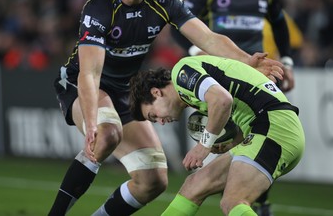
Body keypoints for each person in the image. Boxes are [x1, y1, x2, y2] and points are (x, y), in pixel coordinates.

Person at [48, 0, 285, 216]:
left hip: (124, 91)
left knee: (153, 179)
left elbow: (207, 38)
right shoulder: (100, 7)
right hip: (82, 85)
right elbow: (90, 74)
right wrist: (91, 121)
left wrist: (247, 60)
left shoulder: (163, 2)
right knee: (107, 134)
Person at [170, 0, 296, 214]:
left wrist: (286, 61)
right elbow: (179, 22)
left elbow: (279, 23)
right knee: (232, 132)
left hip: (257, 71)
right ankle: (236, 195)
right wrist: (196, 53)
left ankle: (254, 201)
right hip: (222, 73)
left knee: (259, 134)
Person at [129, 55, 305, 216]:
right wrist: (228, 144)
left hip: (275, 128)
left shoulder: (181, 72)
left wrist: (203, 146)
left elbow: (223, 100)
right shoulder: (196, 96)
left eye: (153, 116)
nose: (160, 121)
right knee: (194, 186)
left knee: (232, 202)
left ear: (156, 93)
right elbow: (237, 116)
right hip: (268, 129)